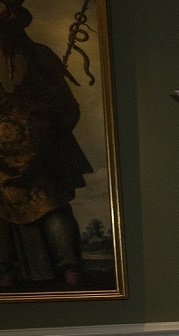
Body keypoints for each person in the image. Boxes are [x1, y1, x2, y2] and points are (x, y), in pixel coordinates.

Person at [0, 0, 92, 288]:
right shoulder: (41, 56)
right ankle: (4, 272)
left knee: (53, 205)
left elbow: (66, 109)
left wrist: (48, 121)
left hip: (43, 150)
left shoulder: (41, 57)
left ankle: (71, 271)